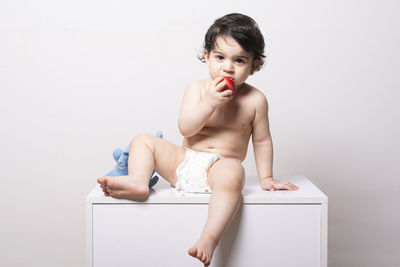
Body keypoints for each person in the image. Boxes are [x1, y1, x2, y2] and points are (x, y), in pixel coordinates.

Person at [97, 13, 299, 267]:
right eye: (220, 57)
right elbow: (186, 127)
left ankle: (209, 237)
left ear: (254, 65)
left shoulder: (255, 100)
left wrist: (267, 177)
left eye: (239, 60)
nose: (228, 67)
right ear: (206, 56)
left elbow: (262, 141)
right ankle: (138, 181)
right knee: (143, 139)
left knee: (234, 172)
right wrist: (209, 103)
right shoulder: (197, 89)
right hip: (185, 160)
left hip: (220, 166)